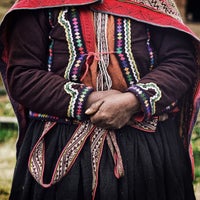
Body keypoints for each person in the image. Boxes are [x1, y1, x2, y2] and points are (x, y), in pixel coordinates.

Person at [0, 0, 199, 199]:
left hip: (146, 152)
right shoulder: (39, 3)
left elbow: (180, 62)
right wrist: (89, 100)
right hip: (61, 148)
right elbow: (23, 75)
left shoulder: (154, 2)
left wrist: (133, 101)